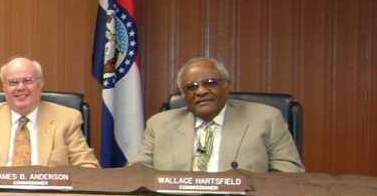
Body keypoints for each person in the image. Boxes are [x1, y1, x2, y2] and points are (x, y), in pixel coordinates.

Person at [130, 57, 303, 172]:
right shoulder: (160, 124)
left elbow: (288, 174)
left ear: (226, 86)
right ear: (183, 94)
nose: (201, 91)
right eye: (192, 87)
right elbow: (138, 171)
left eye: (210, 83)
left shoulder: (266, 119)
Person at [0, 57, 98, 167]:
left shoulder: (67, 119)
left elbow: (87, 166)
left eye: (28, 80)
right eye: (13, 82)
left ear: (40, 84)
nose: (21, 87)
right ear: (4, 88)